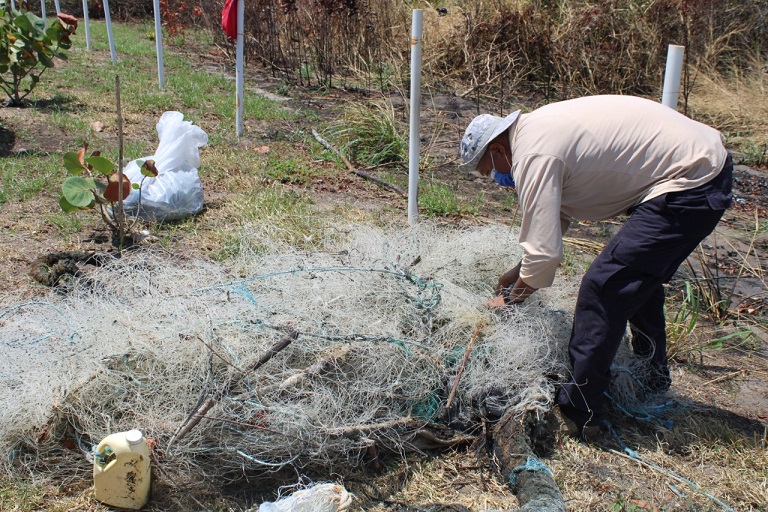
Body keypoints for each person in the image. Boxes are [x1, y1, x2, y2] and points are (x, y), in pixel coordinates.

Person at [458, 95, 732, 439]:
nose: (494, 178)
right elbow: (554, 221)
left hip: (690, 179)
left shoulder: (532, 154)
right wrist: (519, 270)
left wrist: (511, 300)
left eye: (489, 170)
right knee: (636, 281)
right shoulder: (536, 131)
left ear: (498, 149)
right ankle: (651, 377)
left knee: (603, 287)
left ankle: (582, 410)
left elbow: (545, 256)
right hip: (698, 166)